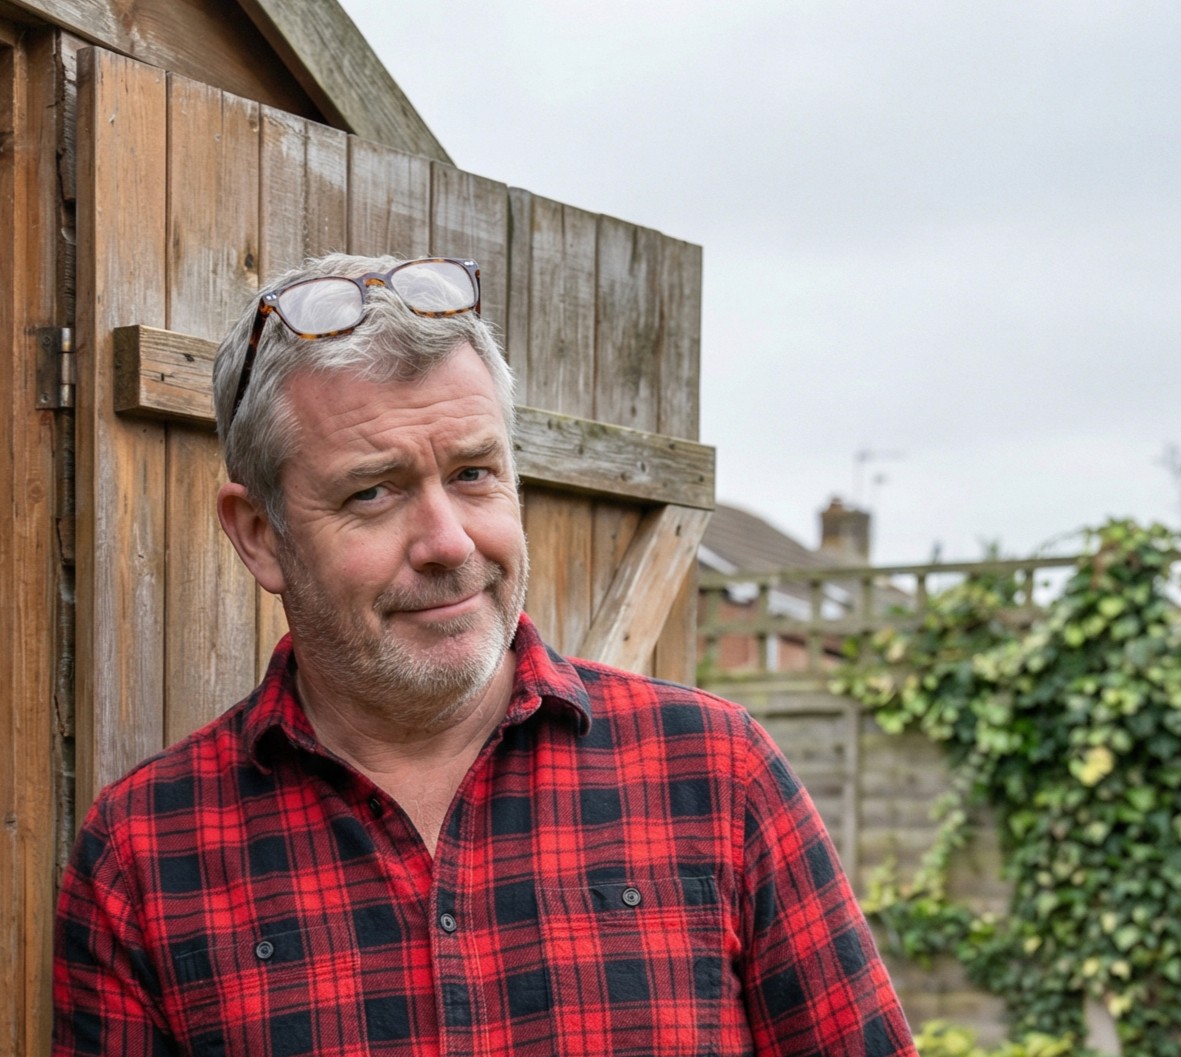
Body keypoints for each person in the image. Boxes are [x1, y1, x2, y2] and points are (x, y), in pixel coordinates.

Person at [53, 253, 918, 1056]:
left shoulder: (718, 774)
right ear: (259, 535)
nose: (447, 540)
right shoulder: (144, 854)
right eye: (373, 491)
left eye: (473, 474)